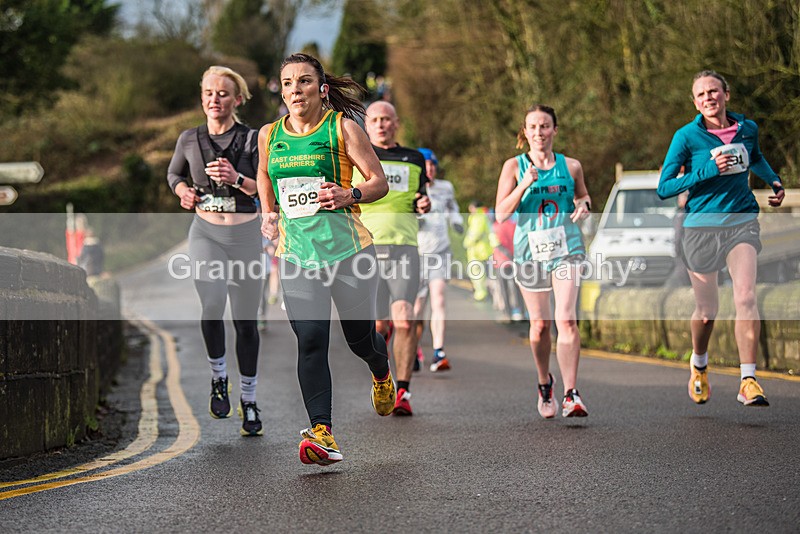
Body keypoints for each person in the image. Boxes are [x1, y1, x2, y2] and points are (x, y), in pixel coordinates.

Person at [257, 53, 395, 465]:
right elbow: (265, 174)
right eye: (287, 84)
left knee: (359, 340)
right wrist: (269, 212)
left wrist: (348, 194)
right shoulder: (270, 133)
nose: (294, 90)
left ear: (321, 89)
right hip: (298, 256)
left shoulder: (343, 128)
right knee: (311, 340)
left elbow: (379, 183)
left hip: (350, 253)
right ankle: (322, 431)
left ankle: (380, 368)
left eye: (302, 82)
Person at [657, 70, 785, 407]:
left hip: (741, 221)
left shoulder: (748, 129)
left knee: (745, 297)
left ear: (726, 94)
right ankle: (698, 363)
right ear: (695, 103)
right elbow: (664, 187)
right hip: (700, 228)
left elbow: (755, 156)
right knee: (706, 311)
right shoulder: (686, 137)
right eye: (701, 95)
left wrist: (773, 181)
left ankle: (748, 379)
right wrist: (706, 171)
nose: (708, 99)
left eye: (713, 92)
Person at [167, 66, 264, 436]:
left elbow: (264, 189)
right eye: (208, 92)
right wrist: (183, 193)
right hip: (206, 233)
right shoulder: (189, 139)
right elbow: (174, 175)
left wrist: (237, 179)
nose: (214, 99)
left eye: (222, 93)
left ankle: (250, 400)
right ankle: (218, 377)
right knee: (211, 304)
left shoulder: (253, 139)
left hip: (245, 238)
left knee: (245, 322)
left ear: (237, 99)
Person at [495, 104, 592, 419]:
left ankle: (571, 393)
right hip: (530, 253)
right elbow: (501, 213)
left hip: (567, 248)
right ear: (525, 132)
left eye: (545, 126)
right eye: (533, 127)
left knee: (566, 319)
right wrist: (524, 184)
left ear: (555, 130)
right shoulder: (513, 166)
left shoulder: (572, 166)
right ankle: (544, 383)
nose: (539, 132)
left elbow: (582, 197)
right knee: (540, 327)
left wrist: (584, 205)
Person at [354, 101, 431, 416]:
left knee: (404, 317)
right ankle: (381, 376)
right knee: (378, 324)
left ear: (396, 123)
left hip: (403, 248)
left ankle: (404, 392)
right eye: (375, 120)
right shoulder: (357, 157)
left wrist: (423, 203)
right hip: (365, 249)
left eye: (387, 119)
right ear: (367, 126)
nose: (382, 124)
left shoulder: (414, 158)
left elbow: (420, 197)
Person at [413, 148, 463, 372]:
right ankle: (412, 348)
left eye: (433, 165)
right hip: (416, 253)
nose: (430, 169)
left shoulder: (446, 188)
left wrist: (457, 221)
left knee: (439, 299)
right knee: (417, 308)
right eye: (425, 165)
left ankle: (438, 351)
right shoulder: (411, 187)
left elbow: (453, 207)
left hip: (440, 252)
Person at [463, 201, 493, 302]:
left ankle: (481, 294)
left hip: (477, 250)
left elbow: (475, 233)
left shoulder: (478, 217)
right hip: (484, 249)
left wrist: (467, 243)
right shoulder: (483, 215)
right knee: (486, 273)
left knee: (477, 272)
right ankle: (485, 292)